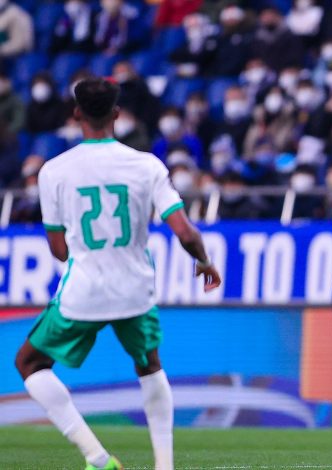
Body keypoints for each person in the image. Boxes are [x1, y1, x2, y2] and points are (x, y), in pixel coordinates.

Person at [13, 78, 222, 470]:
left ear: (76, 114)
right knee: (150, 365)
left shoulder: (53, 171)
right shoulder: (147, 165)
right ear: (117, 114)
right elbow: (185, 232)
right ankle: (164, 465)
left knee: (29, 363)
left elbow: (58, 250)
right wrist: (204, 262)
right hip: (135, 291)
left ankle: (97, 458)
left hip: (84, 291)